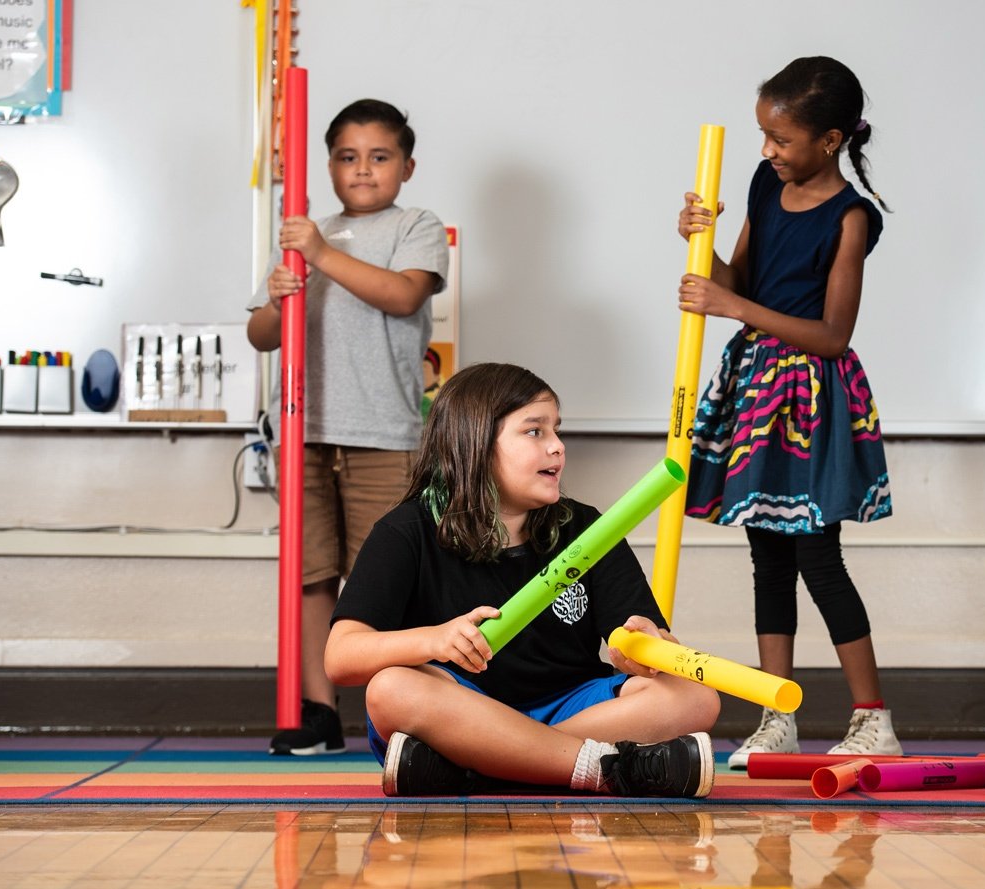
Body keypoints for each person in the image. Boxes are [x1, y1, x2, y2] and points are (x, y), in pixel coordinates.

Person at [325, 362, 722, 797]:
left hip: (571, 704)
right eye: (535, 431)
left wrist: (644, 649)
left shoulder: (586, 527)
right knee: (391, 689)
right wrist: (434, 640)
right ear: (473, 441)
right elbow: (341, 657)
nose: (557, 447)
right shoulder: (407, 530)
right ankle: (598, 768)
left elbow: (640, 638)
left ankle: (484, 767)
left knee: (695, 696)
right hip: (459, 708)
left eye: (556, 430)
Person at [675, 56, 899, 768]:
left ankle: (872, 717)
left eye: (781, 139)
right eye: (763, 135)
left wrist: (732, 306)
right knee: (766, 556)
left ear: (830, 140)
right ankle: (778, 711)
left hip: (811, 395)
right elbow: (735, 281)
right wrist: (697, 245)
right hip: (756, 387)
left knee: (815, 554)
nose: (768, 150)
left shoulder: (851, 217)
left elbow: (834, 335)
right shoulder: (765, 187)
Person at [247, 99, 450, 755]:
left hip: (382, 435)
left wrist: (322, 254)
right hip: (305, 431)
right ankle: (315, 707)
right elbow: (260, 335)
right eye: (346, 156)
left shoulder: (414, 225)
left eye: (379, 156)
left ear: (407, 166)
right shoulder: (307, 233)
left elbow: (403, 295)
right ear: (329, 164)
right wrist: (281, 298)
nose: (362, 169)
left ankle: (397, 710)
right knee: (311, 576)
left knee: (385, 578)